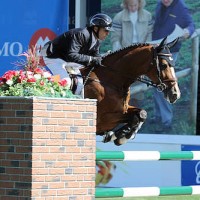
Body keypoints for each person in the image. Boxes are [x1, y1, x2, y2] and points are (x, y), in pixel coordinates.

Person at [40, 13, 112, 96]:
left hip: (68, 60)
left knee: (80, 85)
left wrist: (104, 58)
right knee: (66, 81)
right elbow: (72, 55)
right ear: (96, 28)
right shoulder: (81, 34)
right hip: (54, 57)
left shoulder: (96, 41)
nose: (107, 33)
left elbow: (95, 57)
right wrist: (92, 59)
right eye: (106, 30)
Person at [151, 0, 195, 132]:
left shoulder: (180, 7)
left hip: (170, 51)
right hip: (155, 49)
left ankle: (166, 121)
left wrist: (188, 31)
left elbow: (191, 24)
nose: (165, 0)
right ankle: (158, 115)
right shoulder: (160, 5)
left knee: (163, 83)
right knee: (155, 82)